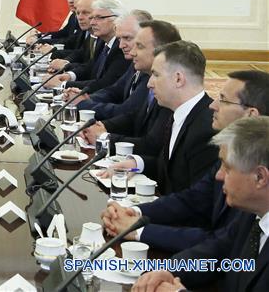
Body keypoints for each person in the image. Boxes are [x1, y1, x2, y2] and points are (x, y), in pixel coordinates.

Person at [102, 70, 269, 254]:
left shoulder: (252, 169)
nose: (212, 105)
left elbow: (221, 243)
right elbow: (193, 199)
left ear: (251, 114)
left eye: (223, 99)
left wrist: (138, 230)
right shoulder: (230, 149)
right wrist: (133, 212)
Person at [133, 116, 269, 292]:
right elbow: (216, 254)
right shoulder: (252, 215)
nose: (218, 176)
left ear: (260, 177)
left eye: (227, 167)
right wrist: (168, 270)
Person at [104, 41, 217, 194]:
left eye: (155, 75)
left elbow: (197, 198)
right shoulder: (177, 112)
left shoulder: (208, 127)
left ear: (178, 79)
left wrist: (140, 212)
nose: (149, 84)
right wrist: (137, 163)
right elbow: (169, 169)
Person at [82, 20, 182, 143]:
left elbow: (152, 145)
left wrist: (104, 137)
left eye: (139, 46)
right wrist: (102, 126)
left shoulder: (170, 90)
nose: (133, 52)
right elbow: (134, 116)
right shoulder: (142, 70)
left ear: (161, 51)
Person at [46, 0, 130, 93]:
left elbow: (106, 83)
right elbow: (91, 67)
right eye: (93, 17)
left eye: (99, 17)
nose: (92, 22)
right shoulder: (102, 41)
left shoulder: (121, 48)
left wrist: (63, 84)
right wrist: (70, 75)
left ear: (117, 20)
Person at [28, 0, 97, 49]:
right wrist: (39, 36)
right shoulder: (73, 16)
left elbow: (70, 42)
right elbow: (63, 33)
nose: (70, 1)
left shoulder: (91, 19)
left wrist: (40, 41)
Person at [47, 0, 99, 71]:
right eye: (77, 13)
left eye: (85, 13)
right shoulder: (91, 35)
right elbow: (80, 53)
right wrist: (64, 62)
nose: (80, 18)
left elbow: (93, 68)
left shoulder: (103, 38)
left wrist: (66, 66)